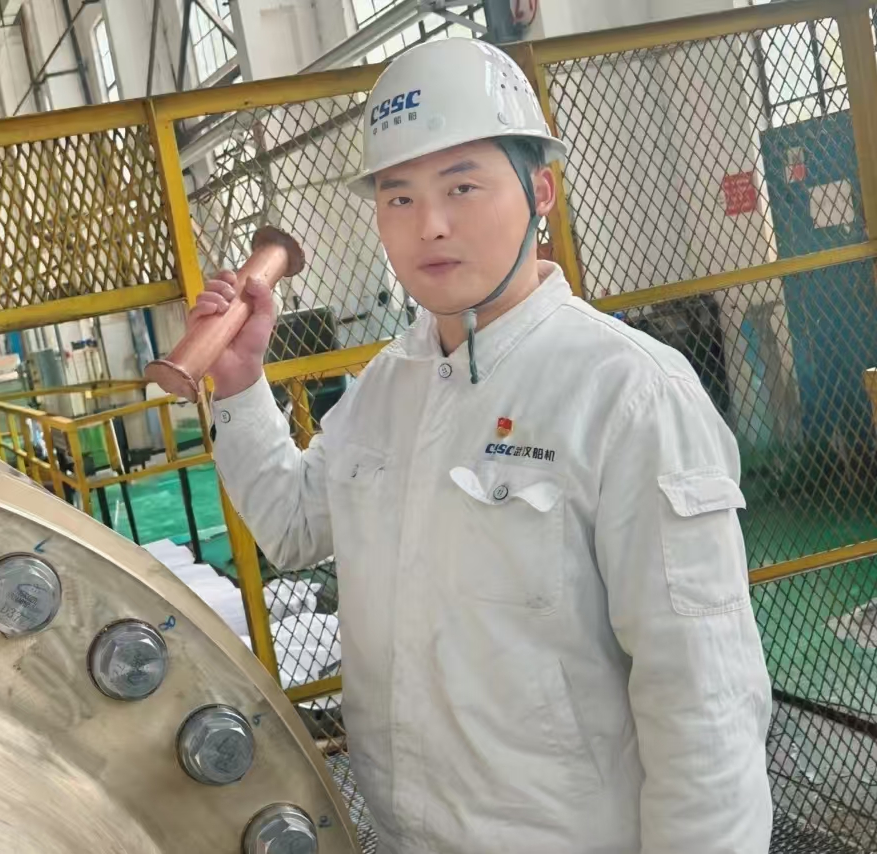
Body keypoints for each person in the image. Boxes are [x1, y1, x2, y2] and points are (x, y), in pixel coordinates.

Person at [193, 38, 773, 854]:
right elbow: (293, 528)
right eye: (399, 197)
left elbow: (703, 700)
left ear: (541, 193)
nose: (429, 225)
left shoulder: (627, 394)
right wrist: (240, 384)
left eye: (462, 186)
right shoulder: (389, 385)